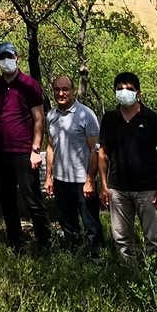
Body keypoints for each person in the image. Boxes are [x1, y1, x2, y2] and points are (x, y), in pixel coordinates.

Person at [0, 41, 51, 251]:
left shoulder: (30, 85)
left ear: (17, 59)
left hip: (24, 153)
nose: (7, 61)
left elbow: (39, 119)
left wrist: (35, 150)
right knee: (7, 201)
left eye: (10, 57)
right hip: (0, 152)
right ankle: (16, 243)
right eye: (2, 58)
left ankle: (43, 242)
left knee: (33, 200)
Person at [98, 72, 157, 265]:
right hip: (118, 190)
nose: (124, 92)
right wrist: (104, 186)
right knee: (122, 240)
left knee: (154, 240)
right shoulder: (109, 119)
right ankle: (130, 278)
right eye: (120, 88)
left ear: (138, 93)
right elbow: (103, 154)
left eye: (129, 89)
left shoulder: (152, 119)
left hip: (148, 190)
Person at [45, 75, 104, 259]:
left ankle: (97, 259)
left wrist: (89, 181)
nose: (61, 93)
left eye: (65, 89)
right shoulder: (51, 115)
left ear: (72, 91)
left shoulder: (86, 114)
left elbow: (95, 150)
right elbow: (50, 147)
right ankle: (74, 257)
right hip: (61, 180)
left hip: (81, 181)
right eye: (57, 89)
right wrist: (49, 177)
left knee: (91, 224)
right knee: (67, 223)